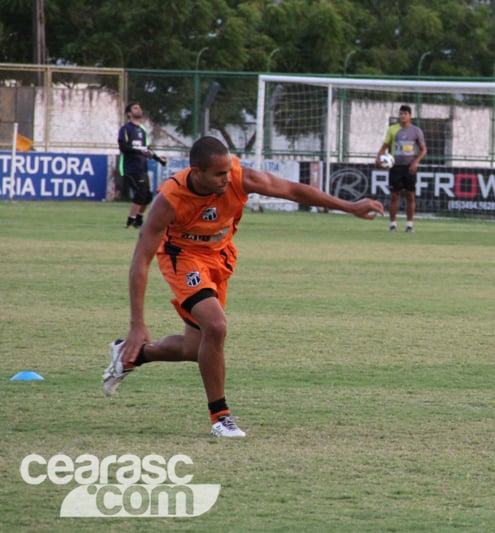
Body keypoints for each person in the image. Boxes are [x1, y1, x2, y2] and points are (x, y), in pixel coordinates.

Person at [102, 136, 384, 437]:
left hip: (218, 259)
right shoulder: (169, 199)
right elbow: (140, 261)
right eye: (219, 174)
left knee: (194, 348)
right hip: (183, 259)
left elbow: (290, 190)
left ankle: (132, 355)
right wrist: (137, 323)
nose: (228, 178)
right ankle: (220, 416)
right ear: (196, 172)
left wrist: (348, 206)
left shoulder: (239, 177)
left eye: (228, 171)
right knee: (217, 326)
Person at [375, 104, 426, 233]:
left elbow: (424, 150)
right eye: (401, 113)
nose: (402, 116)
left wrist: (415, 163)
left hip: (410, 168)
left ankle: (409, 225)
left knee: (410, 196)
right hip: (395, 167)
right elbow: (384, 147)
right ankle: (392, 225)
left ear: (410, 116)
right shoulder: (393, 129)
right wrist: (378, 158)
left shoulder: (416, 131)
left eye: (405, 114)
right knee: (394, 196)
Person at [117, 102, 166, 228]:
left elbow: (146, 149)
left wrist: (158, 158)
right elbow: (123, 147)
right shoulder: (126, 129)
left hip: (142, 166)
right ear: (129, 113)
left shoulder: (143, 130)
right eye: (135, 108)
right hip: (130, 167)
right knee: (141, 192)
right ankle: (131, 220)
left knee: (148, 196)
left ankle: (138, 218)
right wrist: (138, 150)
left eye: (139, 107)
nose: (139, 109)